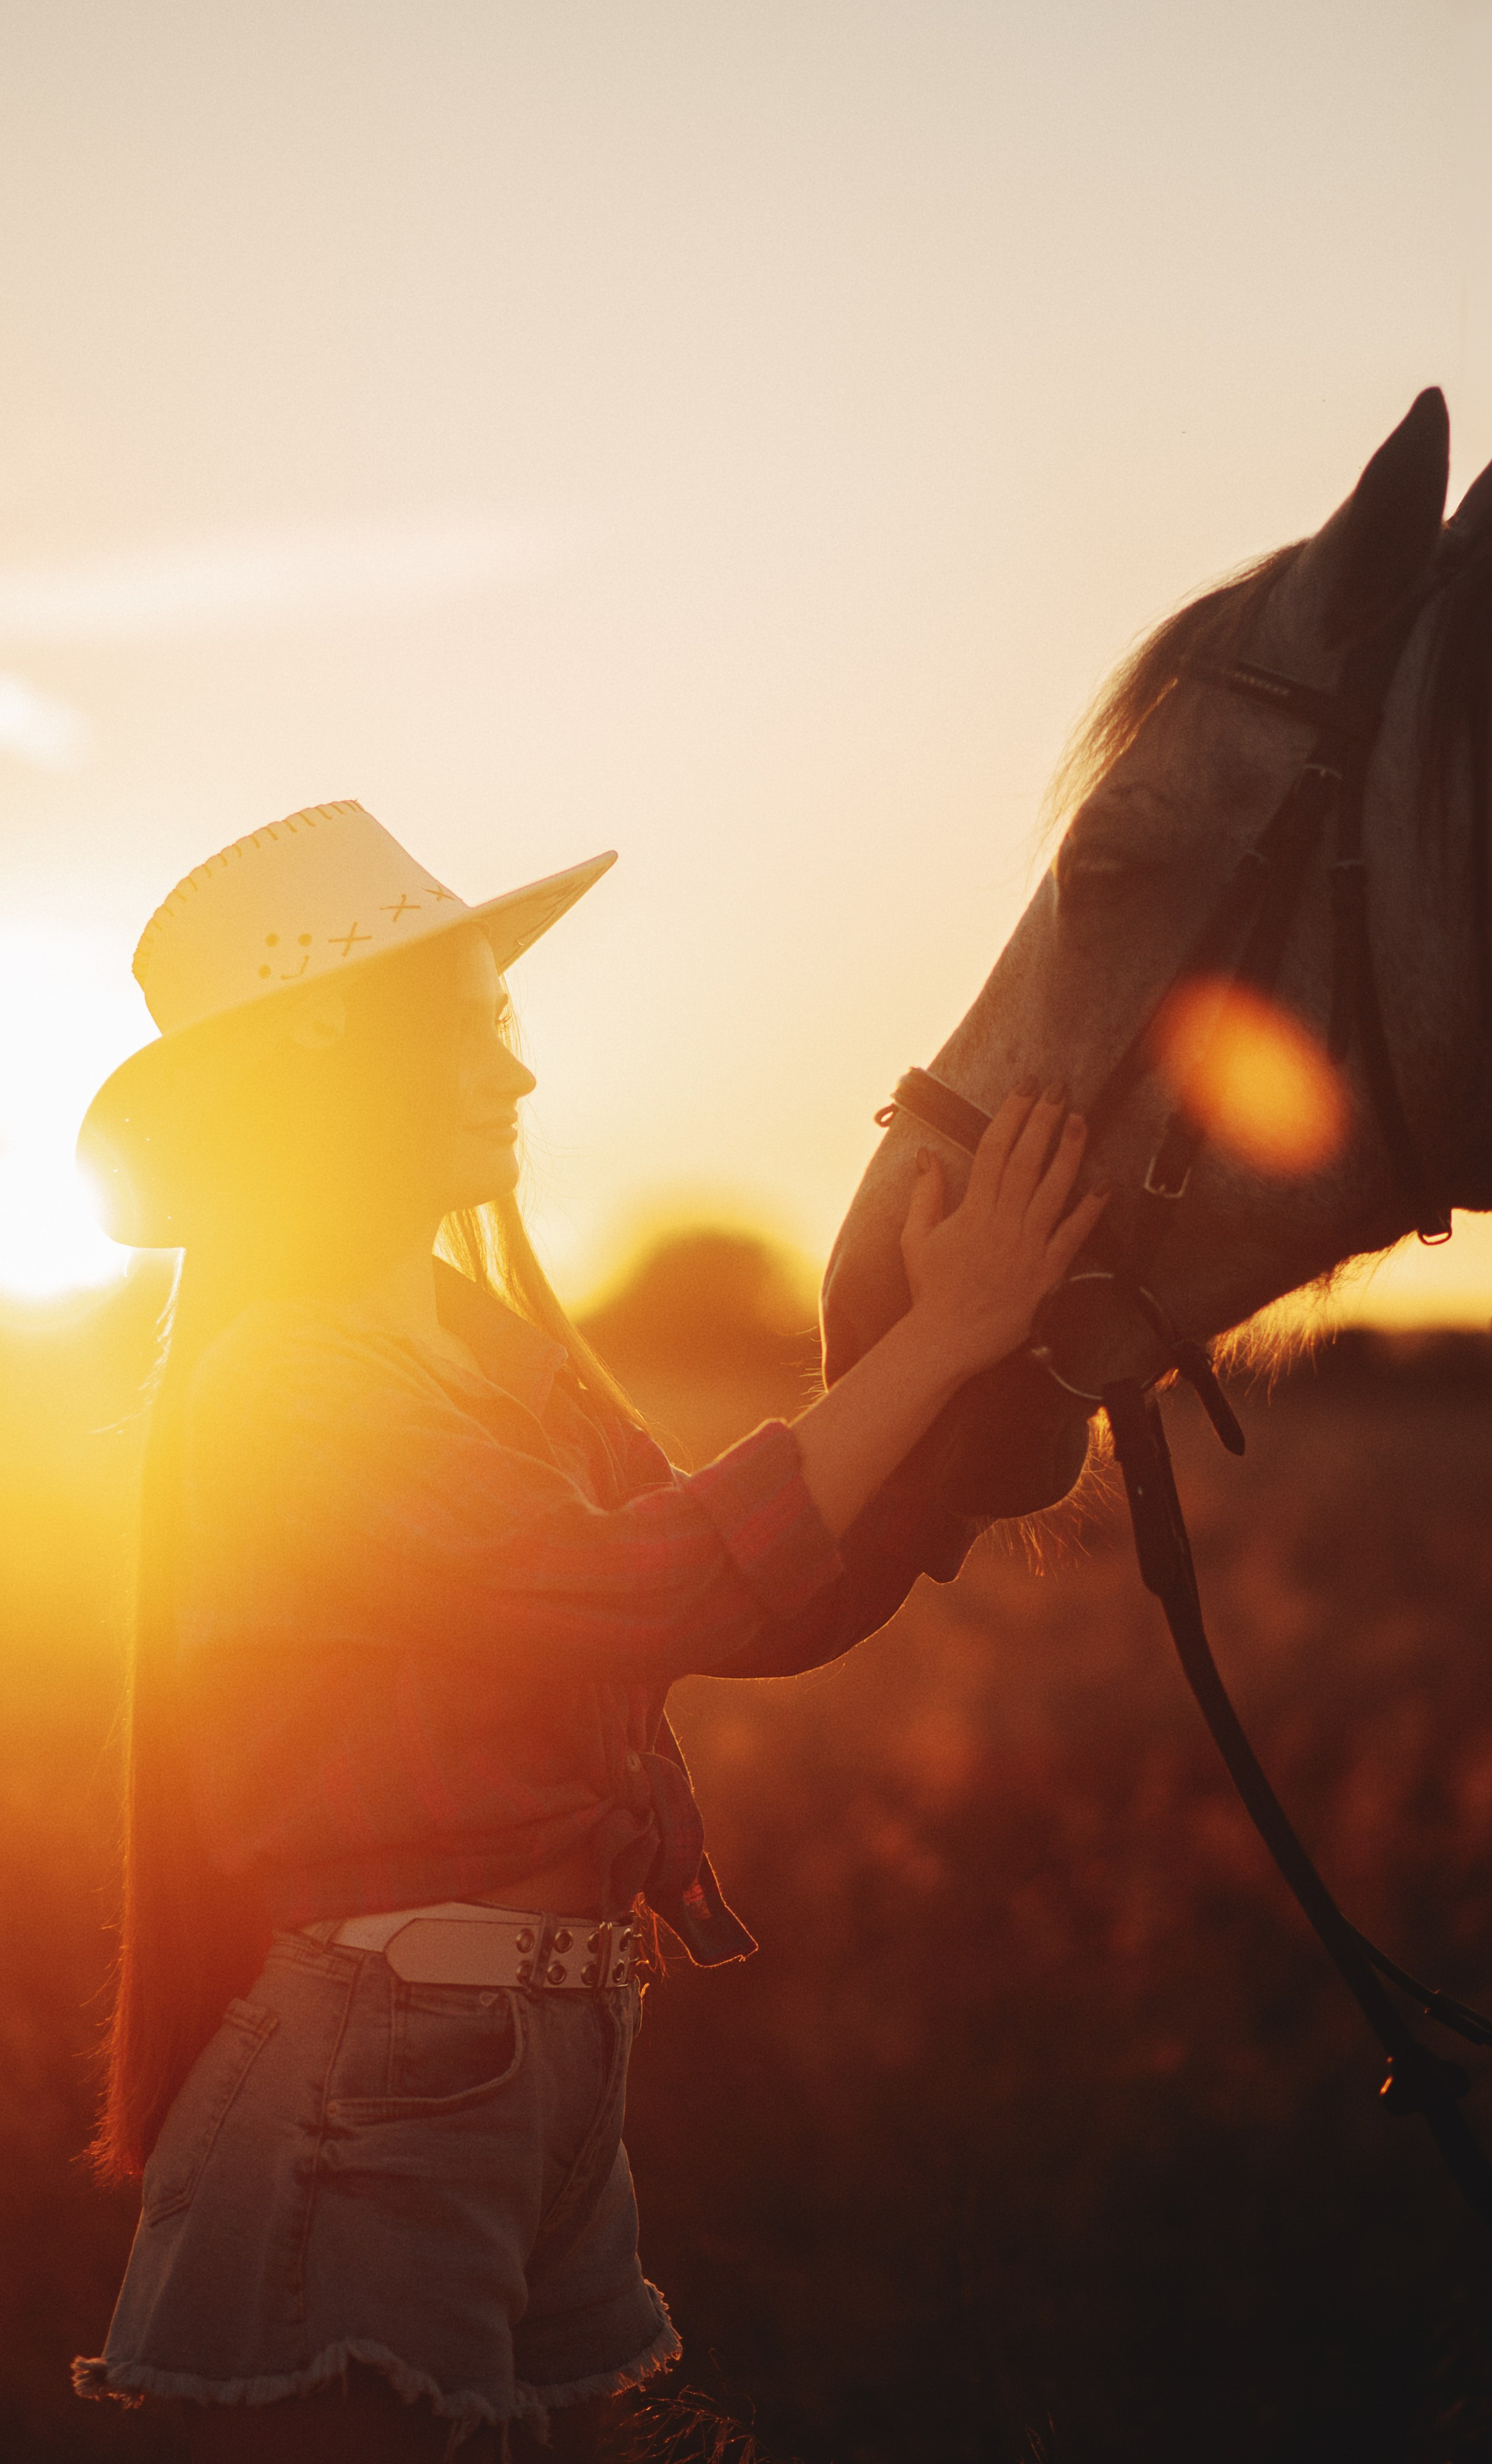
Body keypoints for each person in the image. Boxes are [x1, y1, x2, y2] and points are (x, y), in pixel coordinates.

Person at [72, 800, 1108, 2463]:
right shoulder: (289, 1384)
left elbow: (748, 1596)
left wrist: (968, 1395)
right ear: (340, 1070)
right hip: (379, 2082)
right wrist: (940, 1342)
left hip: (529, 2063)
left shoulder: (484, 1351)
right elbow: (655, 1585)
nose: (520, 1076)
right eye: (476, 1028)